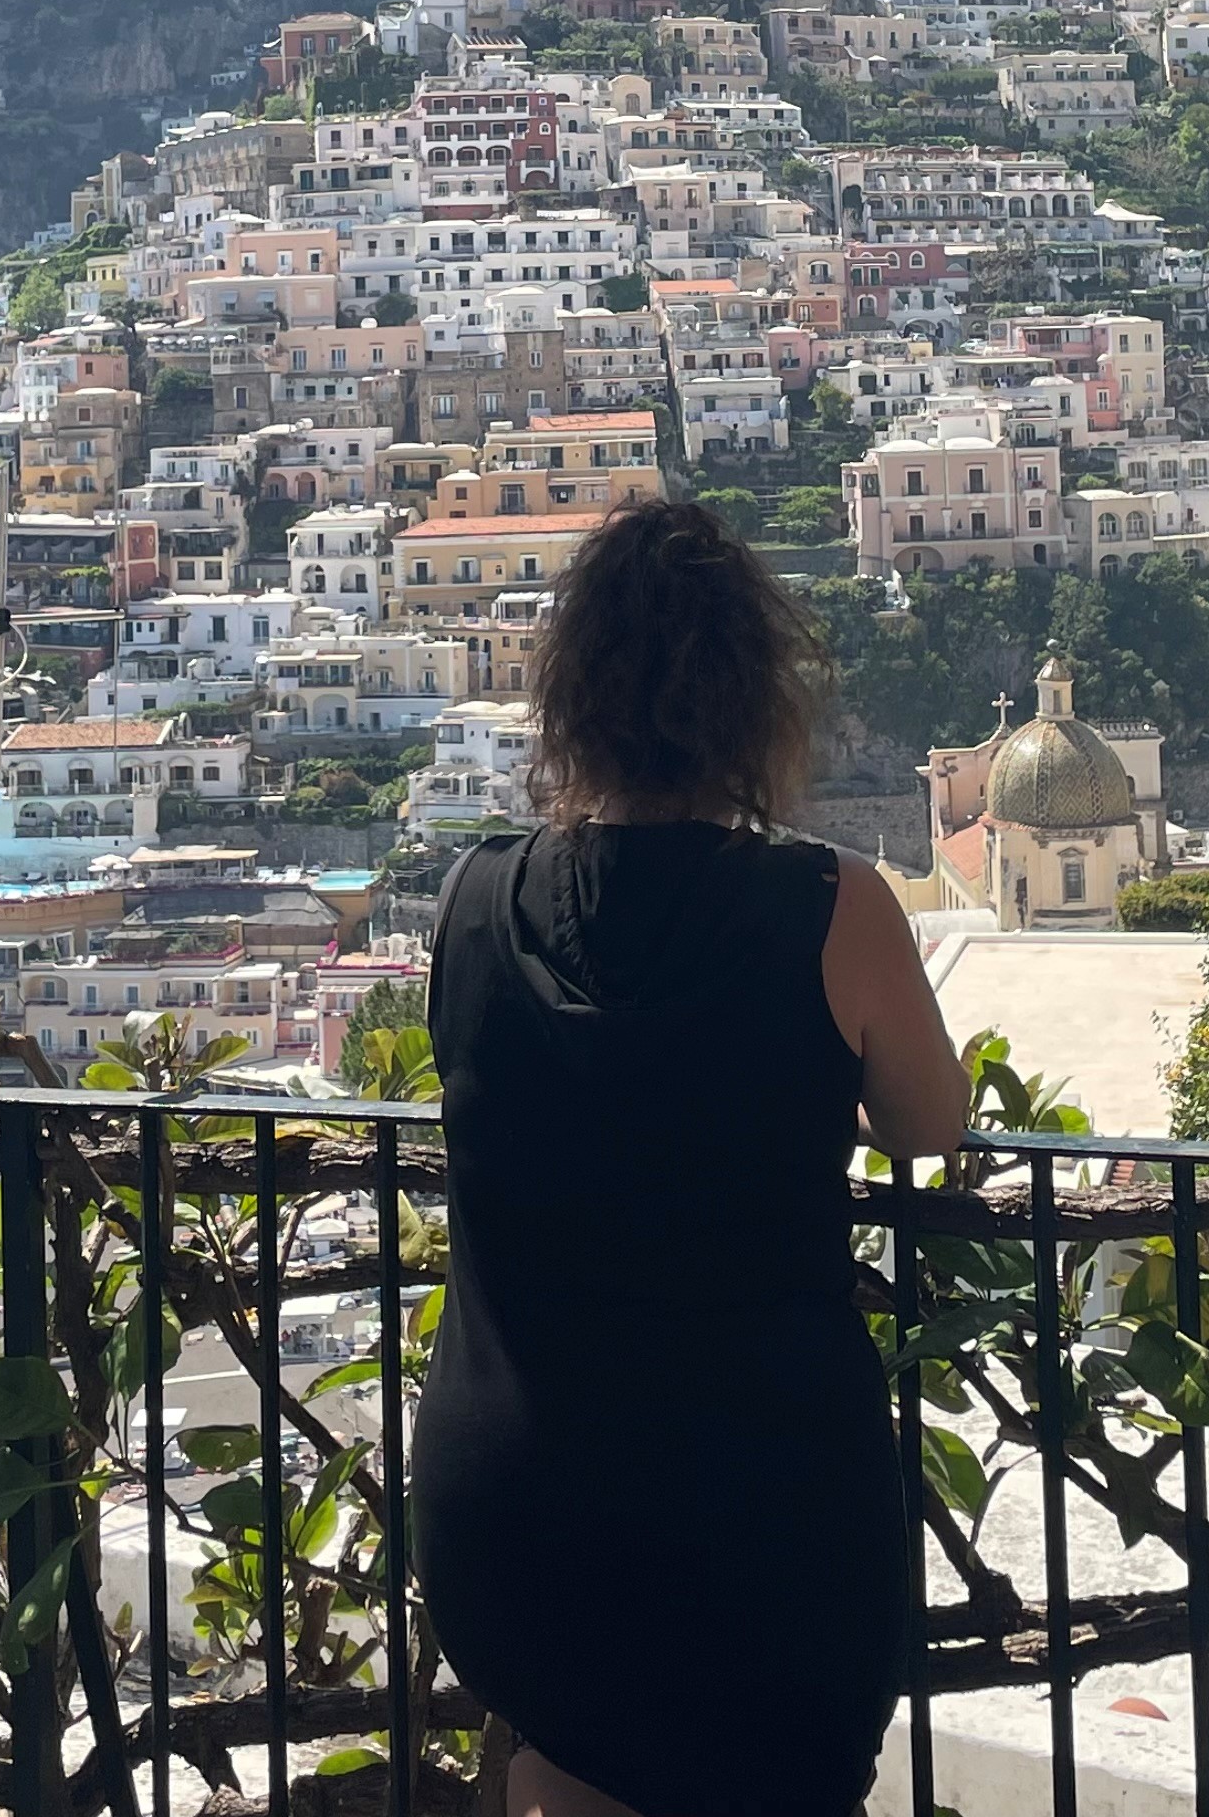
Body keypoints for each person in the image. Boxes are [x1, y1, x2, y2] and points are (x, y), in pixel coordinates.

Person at [415, 501, 968, 1817]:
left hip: (514, 1506)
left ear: (569, 697)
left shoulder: (472, 902)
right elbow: (928, 1124)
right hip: (755, 1509)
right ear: (753, 703)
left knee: (564, 1759)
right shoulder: (831, 907)